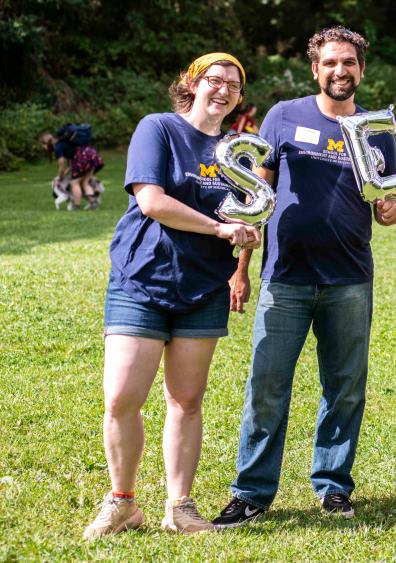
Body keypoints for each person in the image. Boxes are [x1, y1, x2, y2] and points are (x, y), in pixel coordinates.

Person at [212, 26, 396, 528]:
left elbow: (389, 208)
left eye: (350, 63)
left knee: (344, 387)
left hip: (350, 278)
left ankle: (333, 486)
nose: (341, 71)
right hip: (284, 277)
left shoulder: (378, 128)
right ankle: (251, 492)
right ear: (315, 69)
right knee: (267, 385)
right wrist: (241, 271)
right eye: (331, 63)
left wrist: (389, 211)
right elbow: (257, 198)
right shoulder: (282, 117)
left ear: (362, 69)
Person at [83, 53, 261, 539]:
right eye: (214, 80)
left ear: (239, 98)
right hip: (141, 278)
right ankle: (122, 502)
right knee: (122, 397)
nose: (222, 90)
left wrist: (243, 244)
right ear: (192, 84)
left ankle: (180, 507)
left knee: (185, 399)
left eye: (233, 85)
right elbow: (152, 201)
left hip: (202, 286)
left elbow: (251, 213)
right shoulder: (158, 128)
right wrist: (220, 228)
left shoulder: (237, 151)